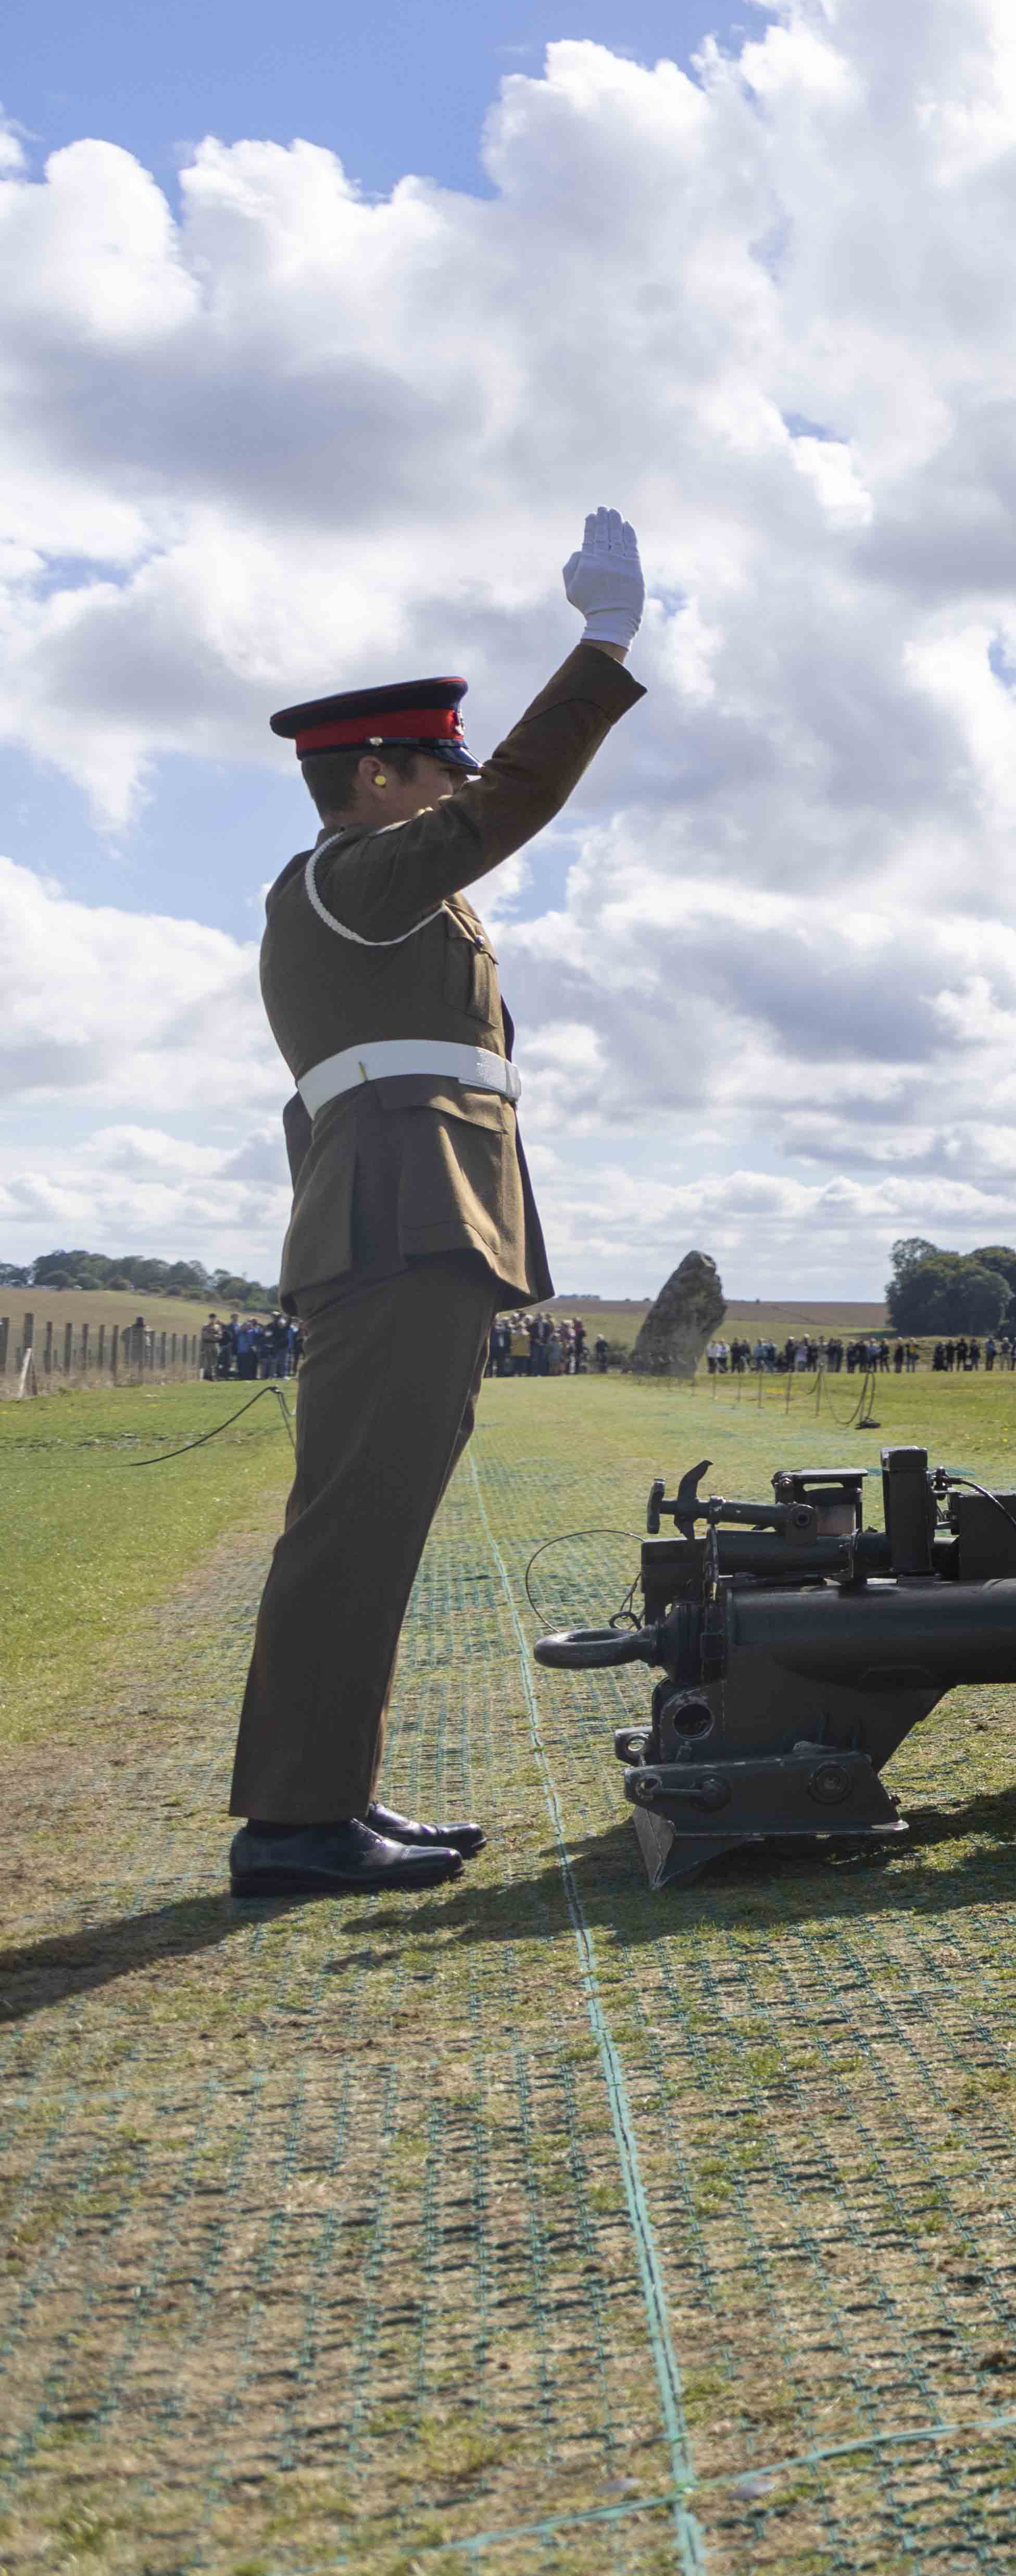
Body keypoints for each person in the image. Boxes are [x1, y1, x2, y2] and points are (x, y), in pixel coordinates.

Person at [227, 510, 651, 1897]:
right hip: (399, 1220)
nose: (451, 798)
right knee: (357, 1517)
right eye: (433, 775)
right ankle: (294, 1824)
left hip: (425, 1219)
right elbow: (508, 805)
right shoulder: (352, 879)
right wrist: (599, 651)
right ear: (376, 776)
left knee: (377, 1514)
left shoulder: (385, 894)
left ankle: (323, 1799)